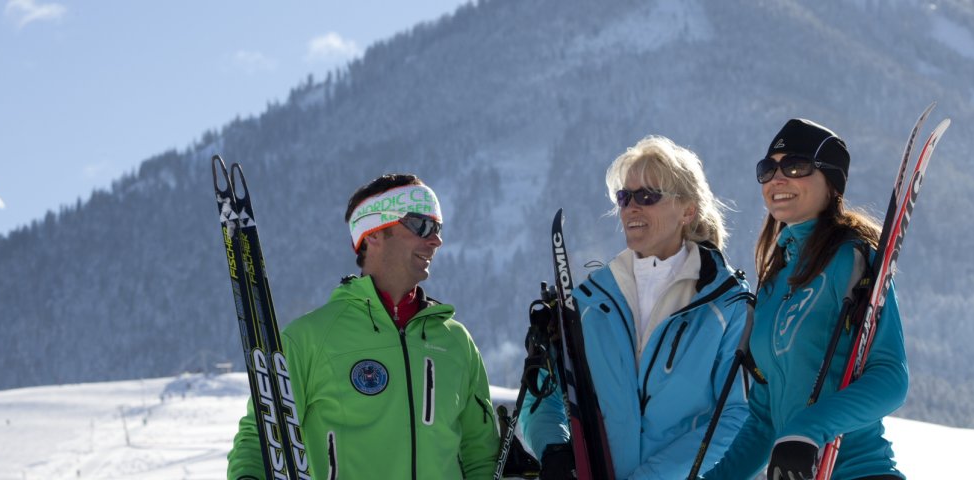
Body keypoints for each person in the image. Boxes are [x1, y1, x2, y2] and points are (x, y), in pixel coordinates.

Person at [227, 174, 500, 479]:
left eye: (438, 228)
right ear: (373, 233)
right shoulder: (311, 339)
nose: (435, 240)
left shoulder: (456, 342)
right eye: (421, 225)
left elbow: (481, 455)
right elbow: (260, 439)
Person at [518, 135, 752, 479]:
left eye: (647, 196)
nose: (631, 208)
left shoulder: (726, 303)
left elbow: (735, 416)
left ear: (688, 210)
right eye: (624, 197)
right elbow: (544, 395)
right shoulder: (588, 302)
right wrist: (554, 448)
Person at [704, 119, 908, 480]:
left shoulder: (854, 259)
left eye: (795, 166)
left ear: (831, 183)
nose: (777, 179)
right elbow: (765, 418)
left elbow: (891, 378)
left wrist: (809, 429)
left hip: (862, 471)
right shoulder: (771, 284)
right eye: (768, 169)